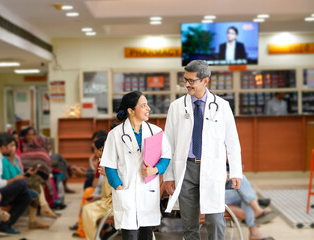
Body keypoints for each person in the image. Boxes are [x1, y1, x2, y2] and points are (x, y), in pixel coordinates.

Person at [163, 60, 243, 240]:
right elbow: (167, 144)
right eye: (185, 80)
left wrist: (236, 172)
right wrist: (168, 176)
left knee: (215, 220)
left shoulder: (222, 106)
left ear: (205, 81)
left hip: (212, 169)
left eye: (192, 81)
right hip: (186, 169)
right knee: (189, 224)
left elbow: (232, 141)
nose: (187, 84)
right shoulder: (176, 107)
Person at [100, 91, 171, 240]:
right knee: (129, 235)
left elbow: (166, 157)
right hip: (126, 191)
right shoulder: (115, 134)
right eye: (143, 105)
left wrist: (156, 169)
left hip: (148, 192)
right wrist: (119, 188)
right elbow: (109, 166)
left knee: (146, 234)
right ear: (131, 111)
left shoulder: (156, 131)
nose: (148, 108)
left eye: (147, 105)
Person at [225, 175, 277, 240]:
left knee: (241, 182)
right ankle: (256, 205)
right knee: (244, 191)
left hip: (222, 189)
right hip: (213, 196)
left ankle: (255, 204)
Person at [82, 136, 113, 240]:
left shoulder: (111, 164)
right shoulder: (104, 163)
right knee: (86, 208)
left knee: (87, 209)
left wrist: (109, 174)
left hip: (115, 203)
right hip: (107, 199)